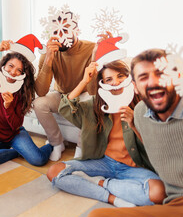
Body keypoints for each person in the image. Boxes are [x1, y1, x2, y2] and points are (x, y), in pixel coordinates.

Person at [85, 49, 183, 217]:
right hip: (180, 209)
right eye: (144, 77)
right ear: (136, 86)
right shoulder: (140, 113)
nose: (153, 82)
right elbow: (152, 148)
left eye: (161, 73)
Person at [46, 60, 165, 207]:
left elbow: (155, 146)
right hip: (104, 163)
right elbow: (66, 108)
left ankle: (99, 182)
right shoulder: (96, 105)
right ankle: (111, 198)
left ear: (129, 78)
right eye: (109, 79)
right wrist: (84, 81)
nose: (115, 82)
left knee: (158, 193)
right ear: (102, 84)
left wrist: (134, 124)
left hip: (133, 167)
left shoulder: (144, 105)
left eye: (120, 76)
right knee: (54, 172)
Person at [33, 24, 96, 161]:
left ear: (76, 30)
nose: (61, 35)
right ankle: (56, 143)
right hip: (62, 95)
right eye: (56, 31)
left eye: (65, 30)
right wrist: (49, 58)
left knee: (91, 104)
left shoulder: (92, 48)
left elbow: (93, 91)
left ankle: (81, 149)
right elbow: (41, 91)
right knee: (39, 104)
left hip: (85, 94)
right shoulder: (48, 51)